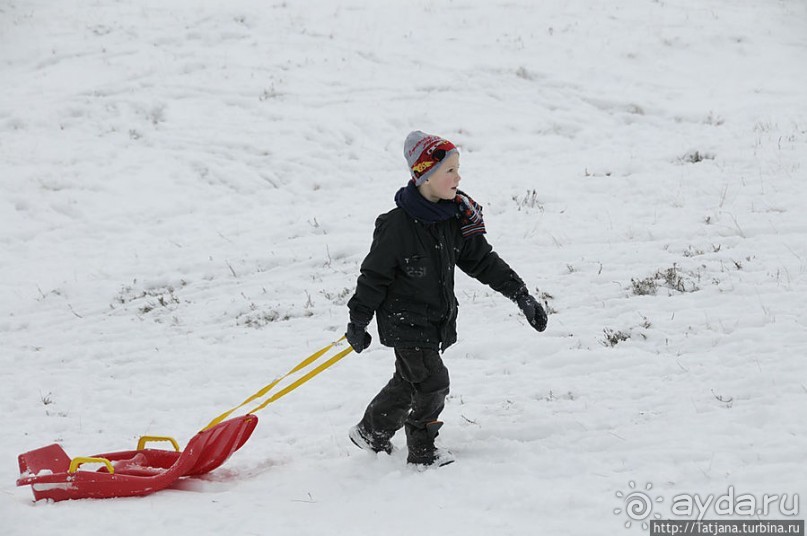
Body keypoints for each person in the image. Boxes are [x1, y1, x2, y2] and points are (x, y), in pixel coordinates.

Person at [345, 130, 548, 467]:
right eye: (449, 170)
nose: (458, 177)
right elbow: (373, 278)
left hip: (435, 320)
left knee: (410, 381)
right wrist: (358, 321)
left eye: (458, 168)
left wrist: (521, 295)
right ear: (424, 175)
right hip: (405, 322)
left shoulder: (453, 220)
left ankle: (372, 431)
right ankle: (422, 450)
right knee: (433, 383)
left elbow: (484, 262)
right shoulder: (396, 227)